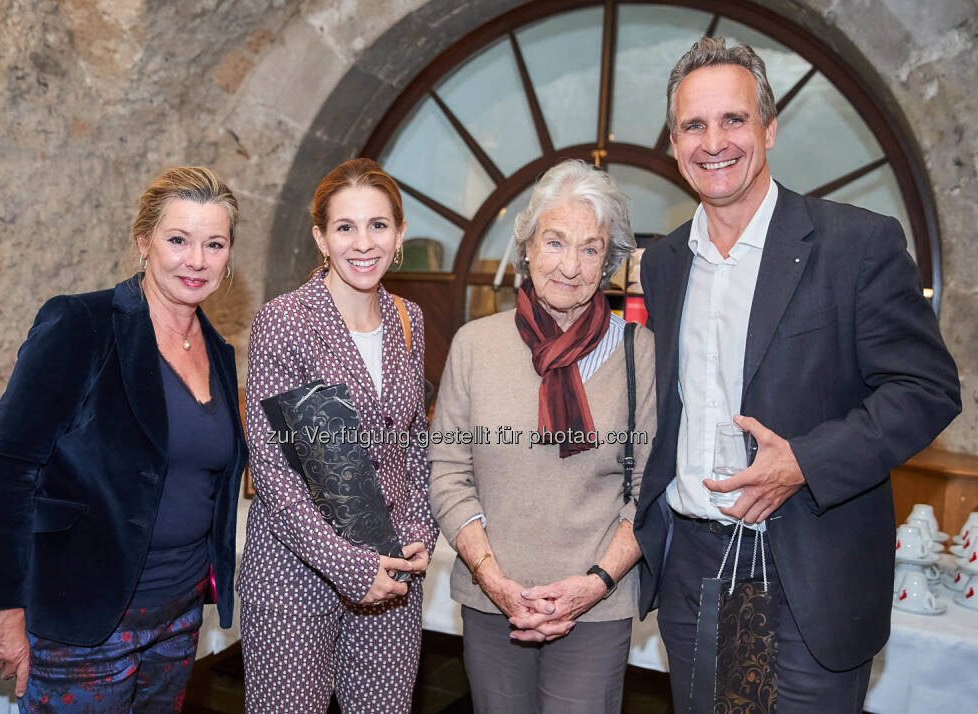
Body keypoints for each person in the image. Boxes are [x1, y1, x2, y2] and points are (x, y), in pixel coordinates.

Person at [632, 37, 962, 712]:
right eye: (694, 125)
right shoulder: (665, 264)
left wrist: (804, 462)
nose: (714, 141)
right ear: (673, 143)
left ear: (770, 128)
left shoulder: (856, 244)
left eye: (734, 120)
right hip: (698, 567)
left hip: (808, 572)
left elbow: (927, 389)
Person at [0, 166, 249, 712]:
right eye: (178, 239)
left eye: (214, 244)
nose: (196, 259)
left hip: (179, 612)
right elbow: (6, 466)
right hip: (84, 618)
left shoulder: (218, 350)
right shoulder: (83, 323)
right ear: (143, 241)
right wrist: (0, 606)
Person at [428, 159, 655, 714]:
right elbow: (448, 473)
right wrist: (495, 580)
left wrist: (595, 583)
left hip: (596, 604)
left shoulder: (638, 351)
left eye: (590, 248)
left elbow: (652, 486)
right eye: (555, 242)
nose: (571, 266)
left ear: (609, 261)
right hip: (491, 598)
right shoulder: (475, 345)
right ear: (527, 245)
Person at [238, 157, 436, 713]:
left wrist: (421, 529)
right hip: (295, 577)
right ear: (320, 237)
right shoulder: (288, 321)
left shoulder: (407, 319)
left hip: (393, 570)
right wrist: (351, 567)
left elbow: (412, 442)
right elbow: (277, 474)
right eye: (345, 227)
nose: (362, 243)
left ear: (399, 234)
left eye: (378, 225)